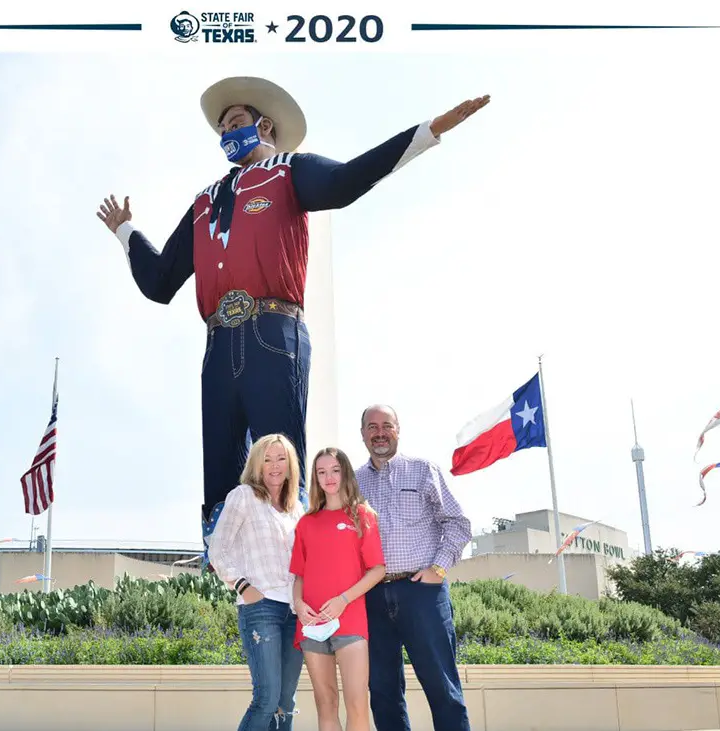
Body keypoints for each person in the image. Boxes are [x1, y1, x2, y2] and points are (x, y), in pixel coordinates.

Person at [95, 75, 491, 567]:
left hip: (273, 331)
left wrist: (427, 132)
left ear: (265, 125)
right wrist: (126, 232)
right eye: (221, 128)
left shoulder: (287, 172)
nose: (226, 134)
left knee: (278, 453)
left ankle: (294, 558)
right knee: (220, 461)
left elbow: (345, 182)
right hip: (218, 339)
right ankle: (224, 562)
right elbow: (159, 283)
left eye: (235, 122)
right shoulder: (203, 203)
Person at [355, 404, 473, 731]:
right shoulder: (353, 482)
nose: (380, 432)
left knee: (442, 687)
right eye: (372, 426)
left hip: (422, 593)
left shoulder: (423, 470)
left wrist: (439, 568)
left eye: (386, 425)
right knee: (382, 691)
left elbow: (458, 524)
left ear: (398, 429)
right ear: (362, 433)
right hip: (372, 599)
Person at [207, 433, 306, 731]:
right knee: (266, 698)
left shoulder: (296, 509)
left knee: (285, 702)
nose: (275, 466)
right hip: (261, 609)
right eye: (267, 459)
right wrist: (243, 587)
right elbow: (217, 548)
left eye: (281, 459)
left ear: (290, 466)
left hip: (293, 612)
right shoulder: (243, 496)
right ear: (257, 465)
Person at [290, 447, 385, 731]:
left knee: (357, 705)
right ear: (315, 478)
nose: (328, 477)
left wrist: (343, 600)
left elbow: (378, 569)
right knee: (326, 703)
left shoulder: (362, 516)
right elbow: (299, 576)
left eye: (334, 470)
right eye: (321, 472)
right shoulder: (306, 523)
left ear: (345, 472)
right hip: (312, 624)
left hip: (351, 621)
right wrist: (298, 604)